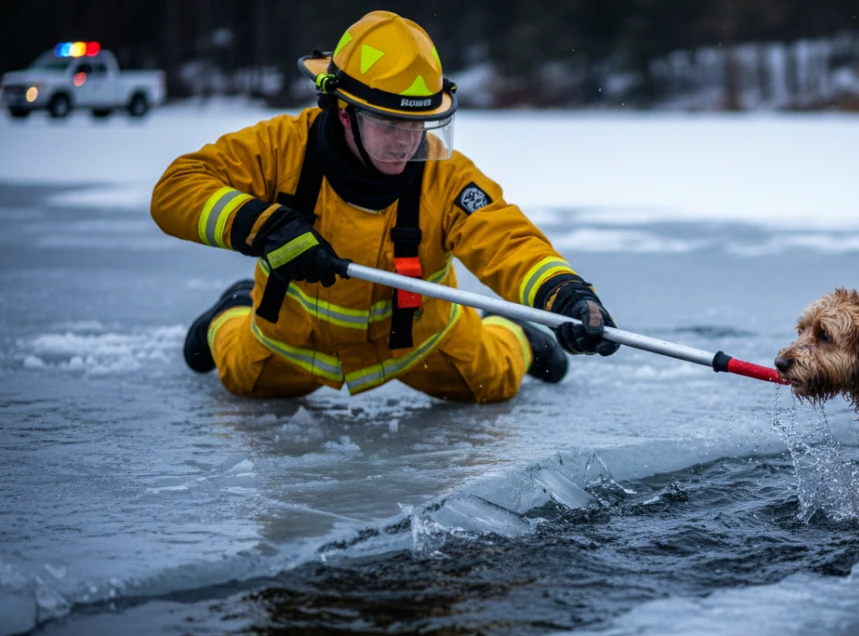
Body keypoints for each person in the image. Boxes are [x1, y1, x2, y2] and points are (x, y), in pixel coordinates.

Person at [151, 10, 618, 402]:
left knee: (491, 381)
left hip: (419, 341)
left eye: (419, 124)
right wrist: (263, 226)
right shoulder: (282, 148)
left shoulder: (447, 176)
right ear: (342, 110)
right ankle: (230, 310)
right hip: (293, 340)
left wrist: (566, 295)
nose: (406, 142)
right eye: (389, 123)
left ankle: (512, 333)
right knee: (240, 376)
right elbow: (176, 188)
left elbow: (508, 240)